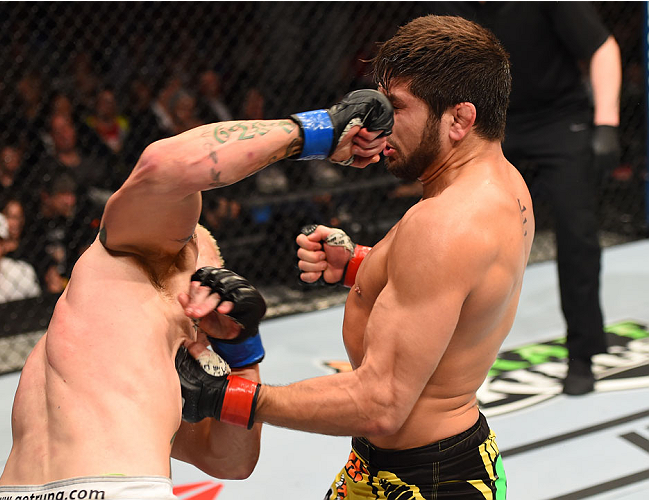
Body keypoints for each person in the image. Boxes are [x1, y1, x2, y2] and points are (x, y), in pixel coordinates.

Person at [179, 15, 529, 498]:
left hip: (424, 480)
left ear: (460, 119)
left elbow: (380, 403)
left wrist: (227, 397)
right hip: (417, 462)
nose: (377, 124)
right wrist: (361, 265)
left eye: (398, 108)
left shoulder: (447, 223)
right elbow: (460, 288)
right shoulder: (500, 184)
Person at [0, 88, 392, 499]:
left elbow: (230, 462)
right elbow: (166, 163)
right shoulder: (124, 258)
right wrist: (320, 130)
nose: (216, 289)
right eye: (207, 267)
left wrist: (242, 354)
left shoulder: (142, 355)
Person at [420, 1, 622, 395]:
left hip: (559, 118)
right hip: (487, 122)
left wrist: (608, 122)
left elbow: (601, 46)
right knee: (450, 232)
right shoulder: (448, 7)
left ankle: (582, 353)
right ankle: (441, 360)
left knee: (577, 231)